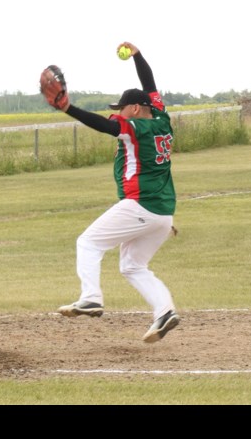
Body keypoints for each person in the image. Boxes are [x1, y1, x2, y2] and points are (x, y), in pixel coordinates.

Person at [53, 42, 180, 343]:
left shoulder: (135, 126)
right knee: (133, 265)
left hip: (139, 206)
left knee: (88, 243)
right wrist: (138, 56)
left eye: (120, 108)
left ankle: (91, 297)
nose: (117, 113)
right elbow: (150, 84)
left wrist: (68, 108)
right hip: (162, 213)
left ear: (134, 109)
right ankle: (165, 311)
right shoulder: (162, 120)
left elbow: (102, 125)